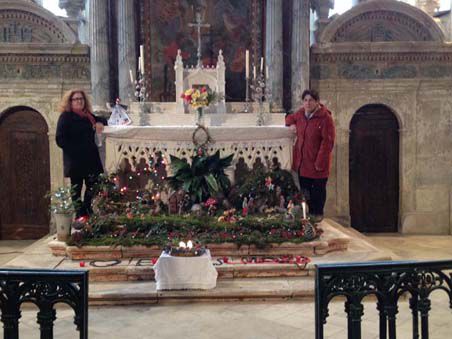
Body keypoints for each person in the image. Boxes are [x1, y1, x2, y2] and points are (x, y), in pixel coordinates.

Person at [285, 89, 335, 222]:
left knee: (317, 193)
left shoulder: (325, 118)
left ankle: (317, 216)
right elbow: (289, 118)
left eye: (311, 100)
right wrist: (292, 124)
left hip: (318, 165)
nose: (307, 103)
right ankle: (307, 218)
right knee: (305, 193)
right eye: (305, 100)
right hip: (303, 163)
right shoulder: (301, 114)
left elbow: (328, 143)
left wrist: (319, 163)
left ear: (317, 102)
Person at [56, 89, 107, 218]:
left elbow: (101, 120)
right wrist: (75, 151)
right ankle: (80, 215)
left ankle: (87, 209)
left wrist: (100, 122)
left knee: (94, 186)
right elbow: (60, 139)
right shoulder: (66, 117)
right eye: (76, 99)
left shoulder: (88, 115)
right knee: (76, 189)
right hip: (76, 159)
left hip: (90, 158)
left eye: (81, 99)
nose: (79, 101)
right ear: (70, 102)